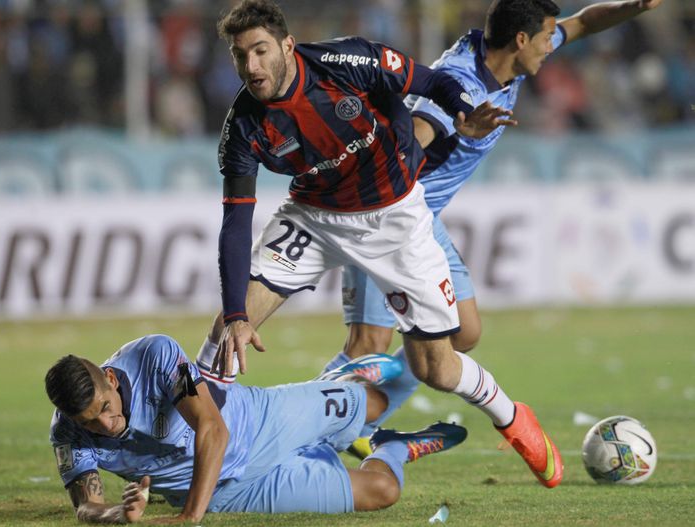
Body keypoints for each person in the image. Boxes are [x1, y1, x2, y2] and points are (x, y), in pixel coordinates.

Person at [196, 0, 561, 489]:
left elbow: (430, 82)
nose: (252, 66)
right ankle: (186, 443)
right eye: (240, 56)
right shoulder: (243, 125)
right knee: (228, 328)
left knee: (437, 367)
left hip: (395, 218)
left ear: (287, 46)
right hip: (314, 215)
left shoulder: (346, 61)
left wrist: (462, 111)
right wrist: (238, 313)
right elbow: (236, 222)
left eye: (260, 51)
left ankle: (513, 418)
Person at [319, 0, 664, 461]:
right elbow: (416, 134)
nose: (552, 45)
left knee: (462, 331)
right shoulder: (462, 83)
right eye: (546, 37)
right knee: (368, 345)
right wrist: (442, 139)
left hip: (423, 219)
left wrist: (635, 5)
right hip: (383, 215)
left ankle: (360, 422)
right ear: (520, 40)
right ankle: (305, 431)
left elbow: (583, 21)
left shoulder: (507, 60)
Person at [45, 335, 466, 524]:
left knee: (376, 403)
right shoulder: (67, 434)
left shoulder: (154, 355)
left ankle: (352, 376)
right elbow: (86, 506)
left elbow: (212, 429)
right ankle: (391, 446)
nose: (106, 426)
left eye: (106, 408)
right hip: (227, 491)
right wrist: (118, 514)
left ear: (111, 380)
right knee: (384, 492)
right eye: (89, 423)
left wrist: (189, 516)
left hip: (261, 420)